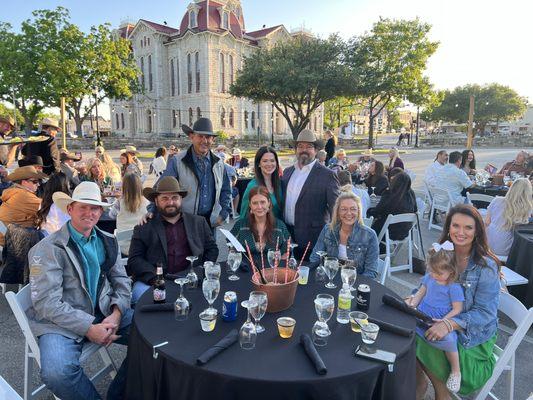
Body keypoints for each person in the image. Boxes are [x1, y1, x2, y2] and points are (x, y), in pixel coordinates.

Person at [28, 181, 132, 400]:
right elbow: (47, 303)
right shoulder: (47, 249)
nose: (89, 212)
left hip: (103, 313)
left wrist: (116, 313)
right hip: (61, 324)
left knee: (154, 336)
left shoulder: (107, 241)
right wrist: (88, 327)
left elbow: (122, 281)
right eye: (82, 206)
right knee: (57, 373)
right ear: (70, 209)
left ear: (101, 211)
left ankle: (117, 394)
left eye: (94, 207)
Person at [415, 204, 500, 399]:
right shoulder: (443, 253)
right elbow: (428, 285)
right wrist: (414, 297)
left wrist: (449, 324)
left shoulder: (486, 267)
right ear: (448, 227)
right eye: (456, 226)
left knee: (428, 342)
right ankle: (418, 384)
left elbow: (486, 314)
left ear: (477, 230)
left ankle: (441, 392)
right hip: (437, 320)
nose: (460, 232)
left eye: (468, 227)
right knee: (404, 332)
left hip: (472, 336)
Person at [128, 176, 218, 303]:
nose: (170, 202)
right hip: (154, 282)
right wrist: (157, 278)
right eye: (165, 198)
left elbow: (212, 249)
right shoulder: (144, 227)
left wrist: (203, 272)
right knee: (142, 297)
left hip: (191, 281)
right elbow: (134, 260)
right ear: (156, 200)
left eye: (174, 197)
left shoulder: (198, 222)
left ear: (181, 199)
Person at [407, 242, 464, 393]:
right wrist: (413, 304)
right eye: (432, 271)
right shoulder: (430, 277)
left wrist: (445, 320)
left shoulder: (454, 287)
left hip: (441, 319)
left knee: (450, 340)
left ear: (451, 271)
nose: (434, 275)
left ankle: (455, 371)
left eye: (439, 273)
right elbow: (421, 292)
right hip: (423, 313)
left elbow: (458, 308)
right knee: (405, 322)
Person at [159, 117, 232, 228]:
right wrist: (152, 212)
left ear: (212, 140)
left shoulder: (219, 163)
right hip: (185, 223)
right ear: (191, 137)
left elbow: (226, 190)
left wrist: (223, 214)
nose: (204, 140)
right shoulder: (177, 161)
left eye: (208, 137)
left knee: (211, 246)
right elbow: (161, 189)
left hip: (210, 223)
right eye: (200, 136)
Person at [282, 129, 340, 259]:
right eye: (300, 146)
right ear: (296, 149)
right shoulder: (287, 172)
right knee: (287, 276)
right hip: (286, 236)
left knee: (308, 277)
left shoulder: (327, 175)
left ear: (316, 150)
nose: (304, 149)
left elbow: (335, 210)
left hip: (312, 239)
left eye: (309, 146)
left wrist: (335, 240)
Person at [310, 190, 379, 278]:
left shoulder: (369, 235)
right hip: (330, 279)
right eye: (344, 209)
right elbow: (315, 257)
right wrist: (320, 276)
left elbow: (371, 272)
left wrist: (351, 286)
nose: (349, 213)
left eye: (353, 209)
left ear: (358, 211)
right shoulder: (328, 229)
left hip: (355, 283)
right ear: (338, 212)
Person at [231, 186, 291, 267]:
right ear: (250, 205)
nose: (259, 207)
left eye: (262, 202)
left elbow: (288, 245)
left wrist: (283, 253)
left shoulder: (279, 226)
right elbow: (230, 241)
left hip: (272, 271)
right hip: (246, 269)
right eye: (255, 203)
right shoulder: (241, 225)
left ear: (269, 203)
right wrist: (233, 252)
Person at [485, 178, 533, 256]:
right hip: (505, 251)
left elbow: (486, 222)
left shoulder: (496, 200)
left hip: (487, 246)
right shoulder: (527, 208)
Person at [0, 166, 45, 245]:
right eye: (35, 181)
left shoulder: (14, 191)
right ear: (24, 182)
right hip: (14, 243)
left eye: (39, 181)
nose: (38, 184)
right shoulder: (23, 195)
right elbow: (48, 207)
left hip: (7, 237)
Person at [368, 172, 417, 241]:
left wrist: (369, 211)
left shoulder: (389, 193)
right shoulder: (411, 194)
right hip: (404, 232)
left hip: (387, 232)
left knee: (370, 221)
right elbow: (415, 210)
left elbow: (377, 211)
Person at [108, 173, 150, 255]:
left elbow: (111, 215)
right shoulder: (147, 202)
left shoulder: (119, 202)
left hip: (123, 246)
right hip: (143, 245)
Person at [240, 146, 283, 219]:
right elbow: (244, 214)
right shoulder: (253, 186)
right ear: (259, 164)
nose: (269, 164)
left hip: (280, 228)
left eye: (272, 160)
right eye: (265, 161)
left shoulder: (280, 184)